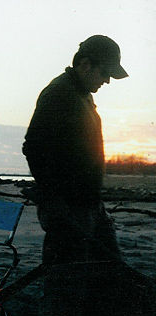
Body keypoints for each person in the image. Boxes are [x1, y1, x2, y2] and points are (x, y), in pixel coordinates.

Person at [22, 35, 128, 267]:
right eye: (105, 72)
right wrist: (54, 199)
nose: (108, 80)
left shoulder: (82, 94)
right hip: (68, 209)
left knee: (110, 270)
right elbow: (33, 146)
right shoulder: (59, 93)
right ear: (85, 64)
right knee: (66, 280)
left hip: (88, 204)